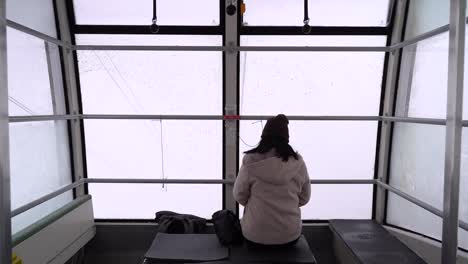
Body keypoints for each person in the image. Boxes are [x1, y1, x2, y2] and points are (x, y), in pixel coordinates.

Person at [233, 114, 311, 249]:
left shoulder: (251, 162)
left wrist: (256, 205)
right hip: (289, 237)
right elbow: (304, 198)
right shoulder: (298, 163)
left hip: (255, 236)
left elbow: (239, 195)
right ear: (286, 138)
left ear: (264, 137)